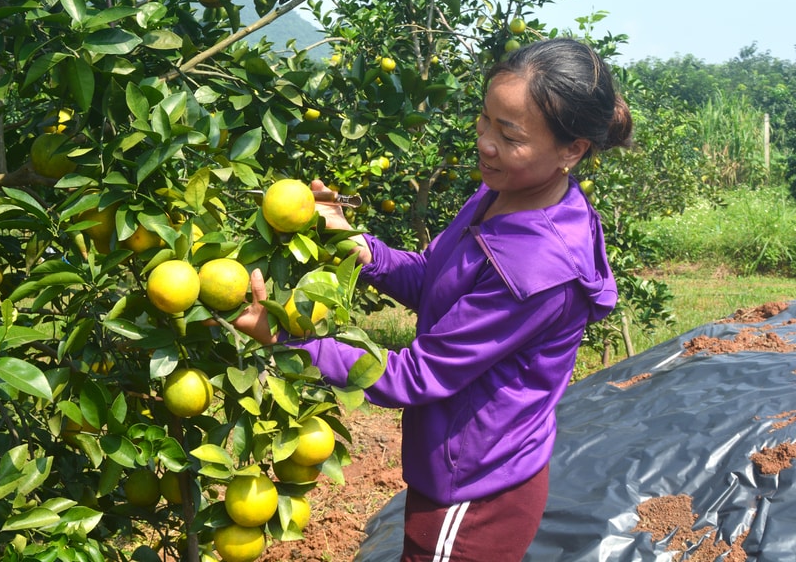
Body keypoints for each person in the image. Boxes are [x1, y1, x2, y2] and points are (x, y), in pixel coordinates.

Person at [233, 37, 633, 561]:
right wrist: (358, 245)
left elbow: (415, 376)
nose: (485, 143)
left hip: (475, 495)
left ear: (572, 149)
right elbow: (435, 281)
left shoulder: (537, 269)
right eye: (485, 120)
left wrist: (284, 340)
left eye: (508, 135)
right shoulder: (504, 194)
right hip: (462, 462)